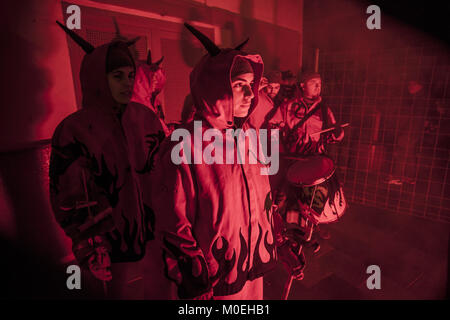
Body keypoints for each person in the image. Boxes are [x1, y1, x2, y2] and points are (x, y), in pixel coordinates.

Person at [150, 23, 303, 300]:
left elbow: (262, 201)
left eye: (250, 85)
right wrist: (192, 274)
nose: (249, 95)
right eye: (238, 85)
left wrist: (278, 243)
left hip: (252, 266)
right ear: (213, 87)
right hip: (213, 275)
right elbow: (172, 218)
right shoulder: (185, 145)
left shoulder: (250, 138)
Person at [50, 22, 167, 298]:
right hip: (108, 243)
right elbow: (69, 194)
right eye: (117, 76)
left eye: (130, 75)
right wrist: (90, 245)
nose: (127, 83)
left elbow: (164, 175)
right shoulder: (73, 130)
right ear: (97, 78)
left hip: (152, 234)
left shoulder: (147, 119)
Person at [276, 71, 345, 252]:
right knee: (291, 200)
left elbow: (332, 135)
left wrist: (337, 134)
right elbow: (273, 127)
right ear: (302, 86)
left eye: (320, 83)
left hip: (314, 161)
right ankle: (291, 235)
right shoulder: (288, 106)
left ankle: (311, 232)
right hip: (292, 160)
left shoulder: (324, 109)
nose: (318, 86)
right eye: (313, 82)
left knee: (314, 199)